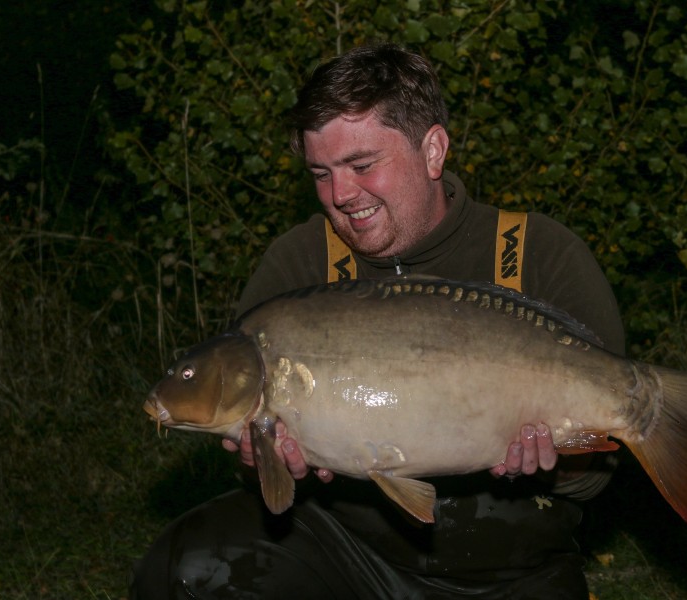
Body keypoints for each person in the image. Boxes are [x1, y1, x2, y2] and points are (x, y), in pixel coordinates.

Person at [130, 43, 624, 599]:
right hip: (346, 552)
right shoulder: (299, 264)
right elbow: (257, 464)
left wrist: (555, 465)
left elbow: (599, 479)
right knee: (187, 570)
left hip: (512, 565)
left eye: (362, 165)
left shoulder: (539, 254)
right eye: (321, 173)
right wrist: (261, 460)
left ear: (433, 150)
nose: (341, 195)